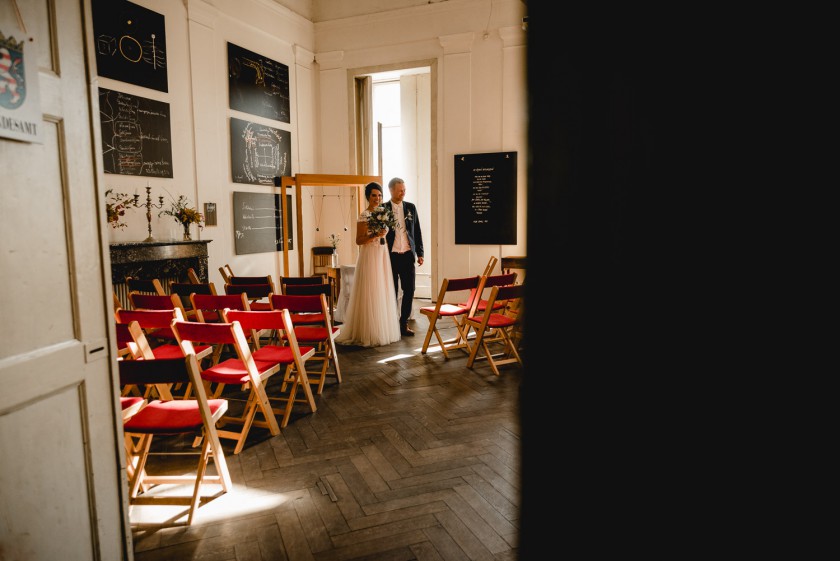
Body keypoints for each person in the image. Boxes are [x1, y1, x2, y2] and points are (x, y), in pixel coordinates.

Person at [334, 182, 401, 347]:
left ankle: (382, 329)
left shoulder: (383, 213)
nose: (377, 198)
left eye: (379, 195)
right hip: (369, 255)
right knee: (370, 289)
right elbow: (359, 240)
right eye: (373, 195)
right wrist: (375, 235)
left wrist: (383, 234)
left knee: (382, 289)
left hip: (382, 254)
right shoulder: (364, 215)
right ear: (368, 197)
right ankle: (367, 331)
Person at [384, 177, 424, 337]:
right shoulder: (383, 209)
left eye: (404, 190)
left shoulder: (411, 208)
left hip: (407, 255)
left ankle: (403, 323)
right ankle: (390, 323)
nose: (403, 193)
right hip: (390, 257)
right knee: (391, 292)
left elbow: (418, 231)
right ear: (391, 190)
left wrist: (420, 253)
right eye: (400, 190)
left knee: (410, 290)